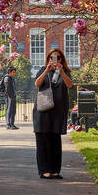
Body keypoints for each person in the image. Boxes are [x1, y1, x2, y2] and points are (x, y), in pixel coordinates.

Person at [33, 49, 73, 180]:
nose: (55, 60)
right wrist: (46, 70)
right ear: (48, 59)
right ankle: (44, 170)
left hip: (57, 111)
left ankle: (55, 170)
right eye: (52, 57)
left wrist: (61, 71)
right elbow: (37, 84)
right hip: (43, 111)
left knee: (55, 142)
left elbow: (70, 85)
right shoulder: (43, 70)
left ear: (62, 59)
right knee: (43, 141)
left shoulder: (64, 72)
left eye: (58, 57)